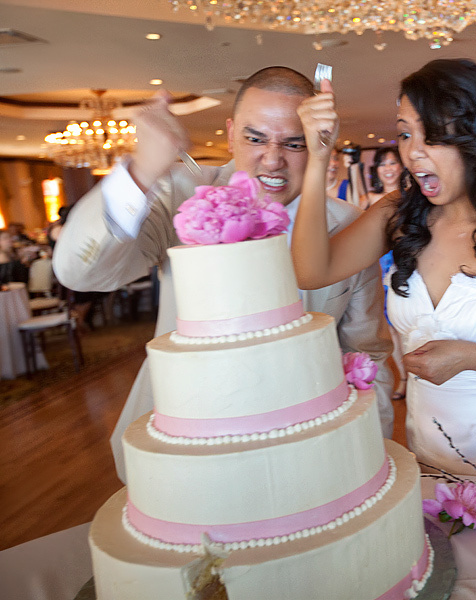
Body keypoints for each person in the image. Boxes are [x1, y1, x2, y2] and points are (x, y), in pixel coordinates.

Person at [52, 67, 394, 481]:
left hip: (306, 455)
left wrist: (367, 459)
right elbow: (78, 271)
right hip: (184, 446)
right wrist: (141, 173)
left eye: (294, 143)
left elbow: (367, 354)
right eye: (255, 138)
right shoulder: (180, 193)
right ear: (231, 133)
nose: (272, 159)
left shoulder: (347, 226)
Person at [293, 58, 476, 476]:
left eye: (434, 136)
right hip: (427, 435)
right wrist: (318, 160)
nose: (413, 153)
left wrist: (471, 357)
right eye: (406, 134)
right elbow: (310, 271)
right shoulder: (396, 215)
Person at [368, 147, 408, 400]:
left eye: (393, 163)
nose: (389, 168)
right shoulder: (367, 199)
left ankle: (418, 377)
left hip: (405, 266)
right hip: (378, 268)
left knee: (408, 325)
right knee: (391, 329)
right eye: (383, 164)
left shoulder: (411, 198)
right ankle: (403, 378)